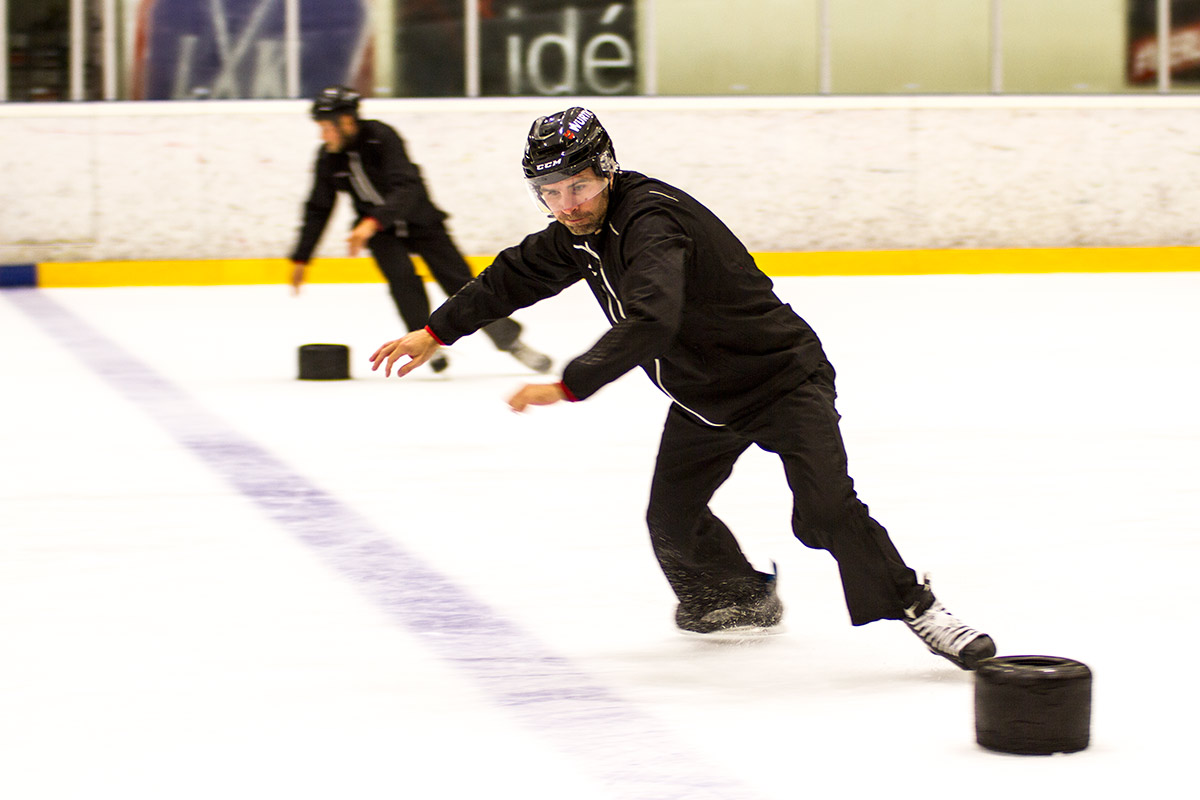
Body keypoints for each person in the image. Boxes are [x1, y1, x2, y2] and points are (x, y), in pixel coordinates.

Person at [370, 107, 996, 669]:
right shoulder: (578, 233)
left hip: (780, 379)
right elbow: (514, 275)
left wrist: (569, 385)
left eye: (578, 187)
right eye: (550, 193)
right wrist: (435, 330)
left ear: (607, 170)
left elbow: (652, 320)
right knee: (671, 520)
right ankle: (738, 599)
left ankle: (918, 606)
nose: (566, 205)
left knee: (824, 513)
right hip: (705, 399)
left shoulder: (651, 223)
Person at [289, 85, 551, 375]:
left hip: (420, 219)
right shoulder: (328, 158)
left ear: (347, 122)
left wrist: (372, 221)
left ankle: (511, 341)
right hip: (380, 234)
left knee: (460, 282)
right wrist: (302, 257)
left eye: (327, 127)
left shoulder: (381, 137)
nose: (322, 135)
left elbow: (407, 185)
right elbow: (318, 207)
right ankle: (423, 343)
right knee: (403, 282)